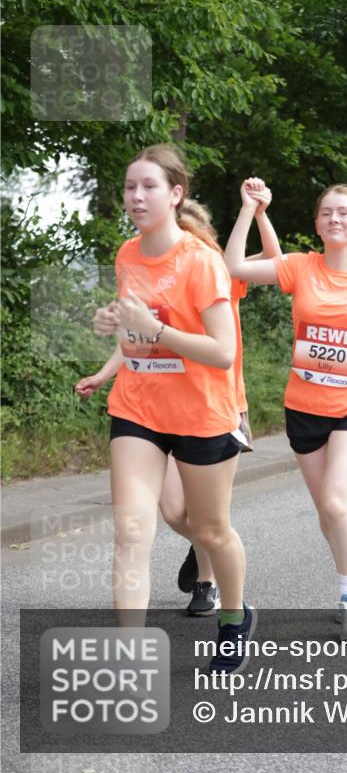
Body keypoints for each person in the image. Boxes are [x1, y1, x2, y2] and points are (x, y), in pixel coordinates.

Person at [74, 143, 252, 673]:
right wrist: (119, 327)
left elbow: (222, 351)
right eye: (130, 187)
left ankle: (234, 617)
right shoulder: (128, 255)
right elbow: (138, 331)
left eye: (149, 186)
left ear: (176, 195)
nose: (136, 195)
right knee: (132, 531)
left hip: (201, 412)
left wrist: (157, 330)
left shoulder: (201, 263)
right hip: (138, 408)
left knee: (209, 529)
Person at [224, 181, 347, 637]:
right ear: (317, 224)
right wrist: (251, 209)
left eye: (344, 213)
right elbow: (233, 266)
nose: (335, 219)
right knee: (327, 512)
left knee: (334, 499)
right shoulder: (299, 267)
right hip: (304, 408)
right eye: (326, 213)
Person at [161, 185, 282, 616]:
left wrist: (255, 210)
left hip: (220, 407)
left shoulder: (221, 271)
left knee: (208, 514)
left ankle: (208, 583)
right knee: (174, 510)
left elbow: (274, 258)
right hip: (165, 408)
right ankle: (202, 546)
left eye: (191, 234)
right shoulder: (158, 277)